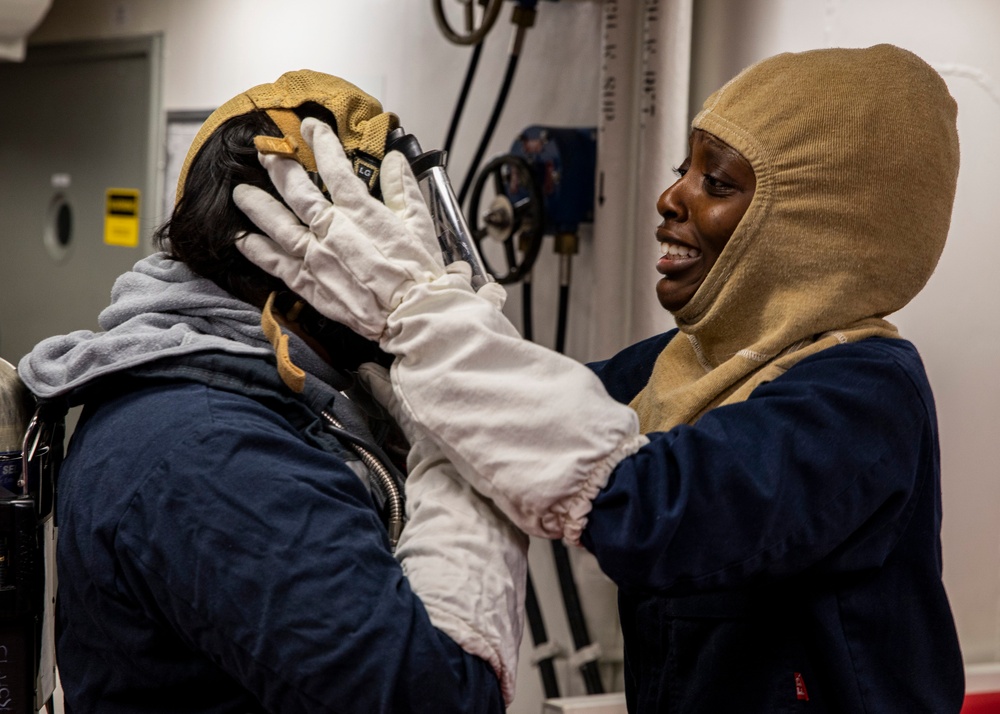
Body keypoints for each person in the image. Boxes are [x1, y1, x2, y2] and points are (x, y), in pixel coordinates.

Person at [235, 44, 966, 712]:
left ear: (819, 226)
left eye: (716, 180)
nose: (671, 198)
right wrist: (396, 331)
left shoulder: (864, 395)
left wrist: (422, 311)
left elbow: (652, 508)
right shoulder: (681, 364)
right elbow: (509, 419)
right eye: (684, 168)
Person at [17, 70, 527, 713]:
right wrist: (464, 431)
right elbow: (443, 699)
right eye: (393, 236)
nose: (418, 263)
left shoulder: (261, 392)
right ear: (311, 250)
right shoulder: (208, 451)